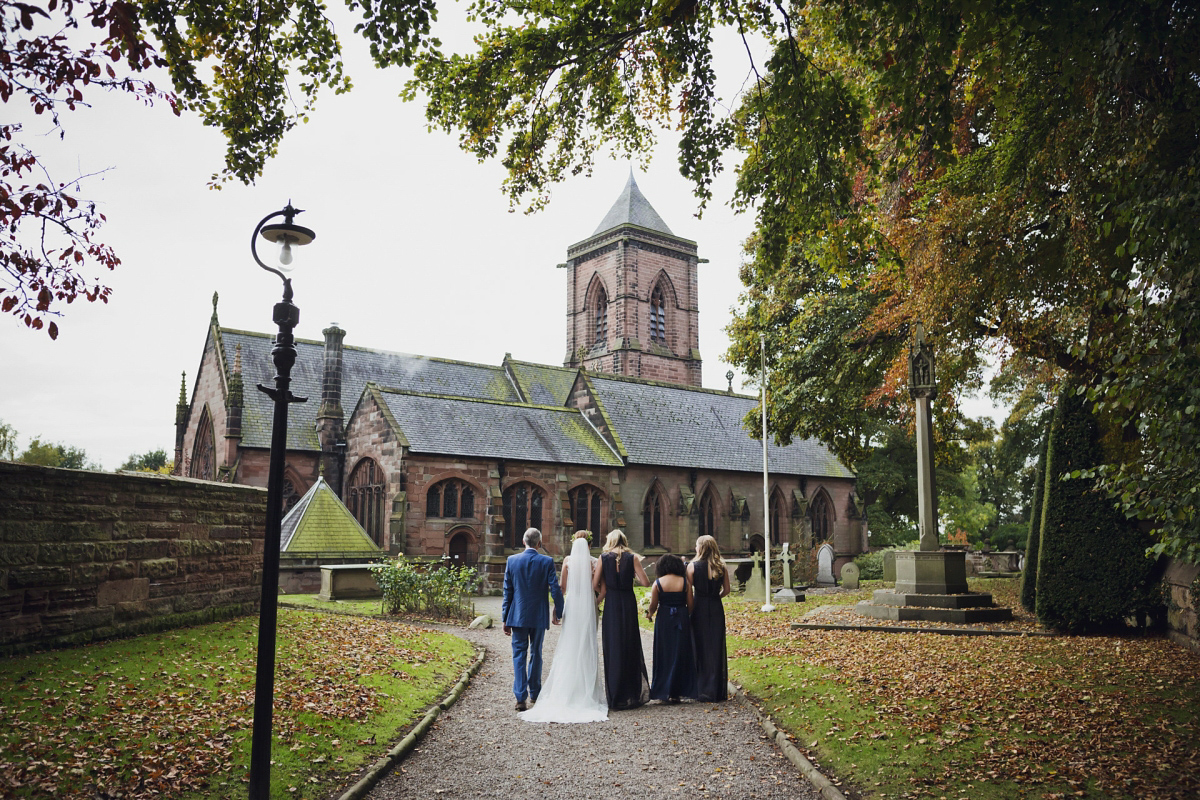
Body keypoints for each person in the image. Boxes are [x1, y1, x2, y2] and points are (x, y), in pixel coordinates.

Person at [519, 533, 608, 723]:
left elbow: (562, 588)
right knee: (587, 644)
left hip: (572, 606)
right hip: (587, 607)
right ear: (589, 546)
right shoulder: (594, 562)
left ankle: (566, 688)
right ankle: (586, 690)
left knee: (569, 644)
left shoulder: (568, 560)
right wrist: (595, 603)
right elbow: (601, 589)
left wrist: (556, 610)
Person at [502, 527, 564, 712]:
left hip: (518, 615)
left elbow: (508, 592)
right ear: (539, 543)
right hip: (538, 615)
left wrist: (505, 618)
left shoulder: (512, 561)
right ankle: (535, 693)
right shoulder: (546, 561)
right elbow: (555, 589)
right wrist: (558, 611)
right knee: (536, 653)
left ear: (523, 541)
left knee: (519, 654)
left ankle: (520, 698)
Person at [592, 529, 650, 710]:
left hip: (612, 603)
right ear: (624, 540)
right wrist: (631, 576)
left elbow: (595, 584)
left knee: (613, 645)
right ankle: (631, 694)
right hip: (627, 601)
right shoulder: (632, 558)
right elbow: (646, 582)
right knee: (629, 643)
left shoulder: (603, 557)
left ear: (610, 541)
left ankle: (615, 694)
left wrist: (606, 584)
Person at [646, 553, 698, 703]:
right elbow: (691, 605)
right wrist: (682, 614)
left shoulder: (658, 583)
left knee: (664, 652)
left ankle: (663, 691)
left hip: (664, 620)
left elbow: (653, 605)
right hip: (681, 617)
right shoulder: (685, 583)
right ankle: (678, 691)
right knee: (681, 652)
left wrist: (649, 614)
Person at [688, 534, 731, 701]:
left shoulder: (692, 567)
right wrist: (715, 597)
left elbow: (688, 591)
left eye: (697, 545)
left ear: (702, 548)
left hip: (699, 607)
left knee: (699, 645)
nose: (695, 548)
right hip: (715, 607)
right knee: (715, 646)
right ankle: (716, 689)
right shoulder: (721, 567)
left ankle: (701, 687)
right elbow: (727, 590)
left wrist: (691, 607)